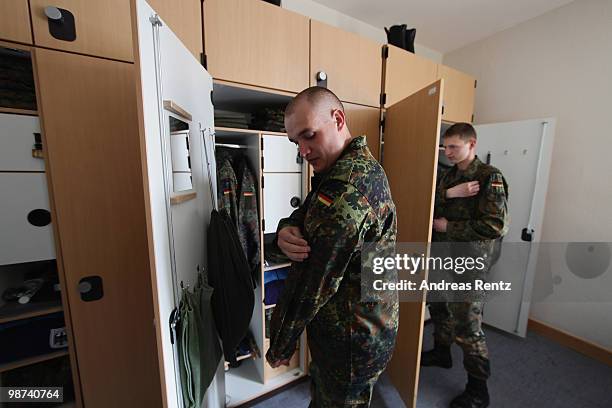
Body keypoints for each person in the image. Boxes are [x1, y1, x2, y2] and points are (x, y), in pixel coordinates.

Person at [265, 86, 398, 407]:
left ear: (338, 119)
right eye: (296, 142)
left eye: (309, 135)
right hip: (354, 328)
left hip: (350, 341)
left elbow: (310, 283)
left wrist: (281, 344)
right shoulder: (347, 170)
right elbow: (305, 215)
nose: (303, 150)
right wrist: (286, 229)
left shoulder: (345, 190)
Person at [423, 123, 509, 408]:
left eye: (453, 147)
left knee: (468, 326)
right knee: (438, 306)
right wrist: (450, 194)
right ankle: (441, 352)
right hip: (442, 255)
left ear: (472, 144)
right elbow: (426, 205)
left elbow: (495, 226)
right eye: (445, 147)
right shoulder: (448, 176)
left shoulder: (489, 177)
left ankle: (478, 390)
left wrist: (450, 226)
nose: (447, 152)